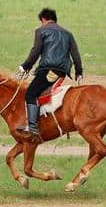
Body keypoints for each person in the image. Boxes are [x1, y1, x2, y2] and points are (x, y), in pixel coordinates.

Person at [15, 8, 83, 138]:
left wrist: (25, 67)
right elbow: (75, 55)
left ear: (43, 20)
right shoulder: (68, 34)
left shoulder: (41, 31)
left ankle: (32, 126)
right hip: (61, 72)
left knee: (30, 93)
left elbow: (36, 51)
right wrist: (79, 72)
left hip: (48, 71)